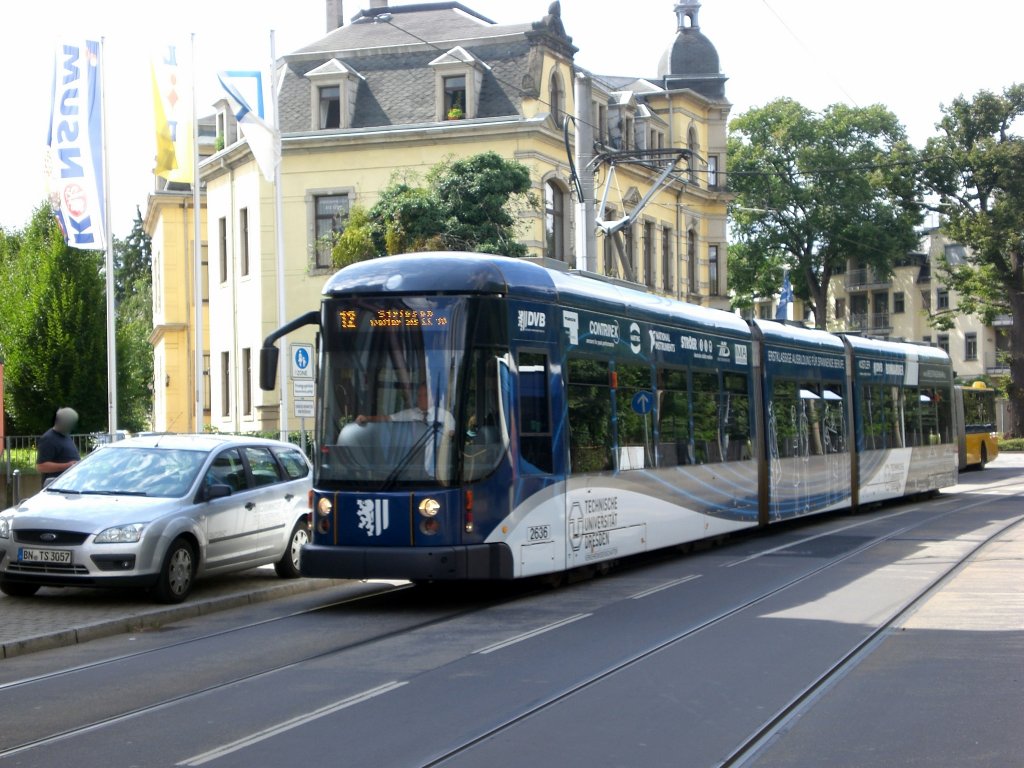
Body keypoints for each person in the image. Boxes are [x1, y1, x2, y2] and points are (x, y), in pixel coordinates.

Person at [36, 407, 81, 484]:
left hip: (69, 483)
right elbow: (41, 466)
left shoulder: (66, 435)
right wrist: (68, 465)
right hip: (56, 485)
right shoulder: (48, 439)